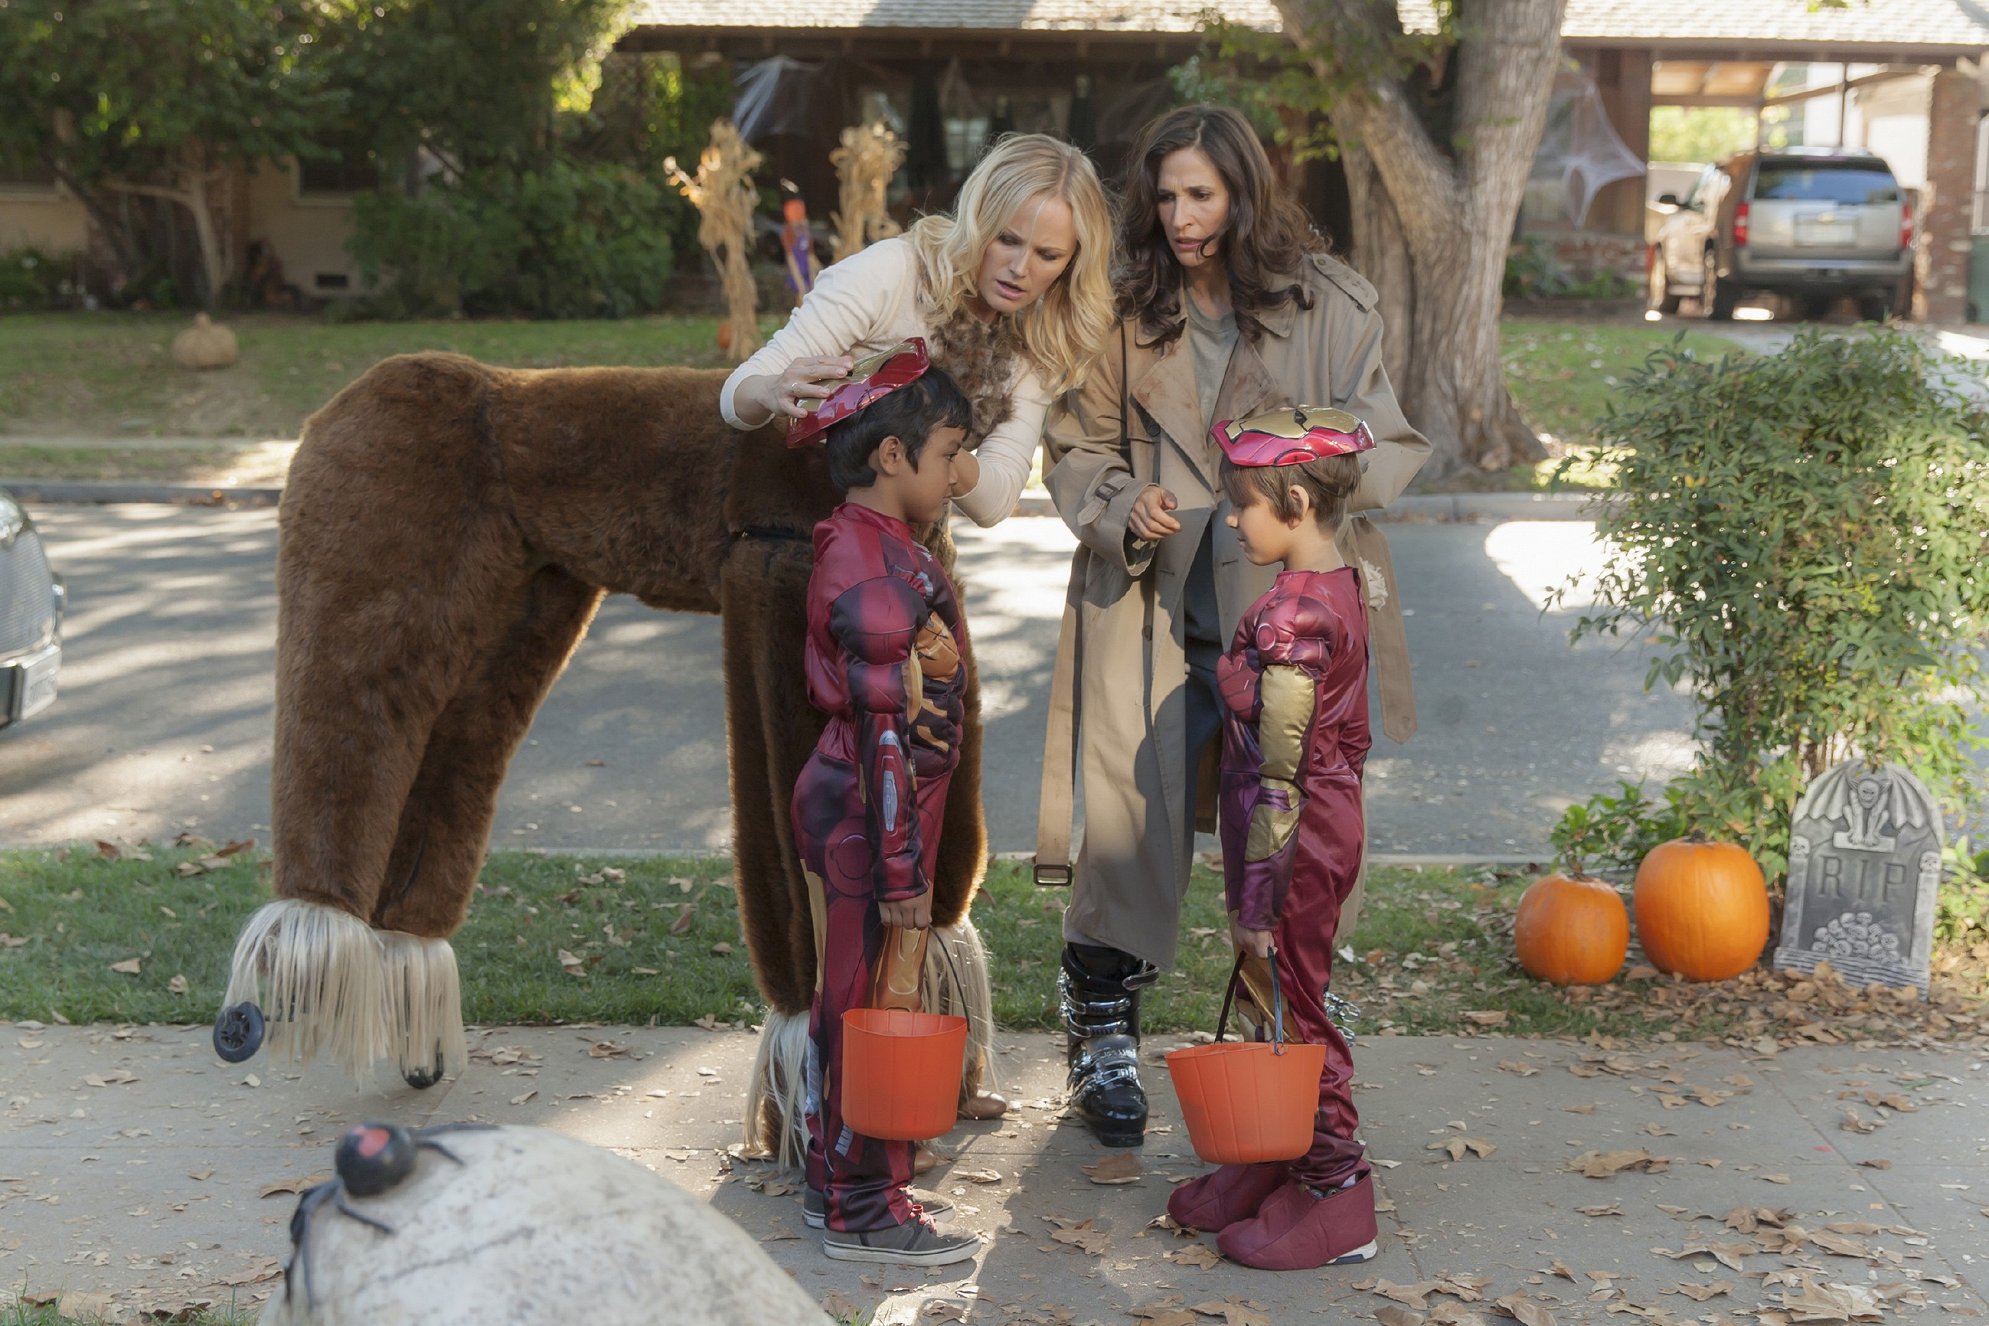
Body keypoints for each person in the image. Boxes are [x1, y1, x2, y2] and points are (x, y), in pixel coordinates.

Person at [1038, 104, 1429, 1148]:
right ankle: (1102, 1027)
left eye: (1201, 195)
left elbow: (1388, 441)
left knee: (1292, 832)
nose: (1180, 217)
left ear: (1244, 195)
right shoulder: (1120, 309)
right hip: (1153, 610)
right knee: (1126, 830)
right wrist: (1122, 502)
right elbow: (1074, 446)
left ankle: (1287, 1029)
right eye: (1165, 196)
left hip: (1291, 621)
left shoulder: (1330, 306)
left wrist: (1310, 474)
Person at [1166, 405, 1380, 1270]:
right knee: (1273, 992)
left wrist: (1256, 901)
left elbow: (1281, 778)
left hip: (1289, 841)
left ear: (1294, 503)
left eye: (1241, 505)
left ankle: (1335, 1187)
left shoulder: (1294, 619)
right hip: (1298, 831)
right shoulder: (1330, 586)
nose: (1229, 521)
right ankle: (1271, 1154)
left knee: (1296, 1007)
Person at [788, 340, 982, 1267]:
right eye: (950, 453)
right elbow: (882, 735)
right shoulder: (869, 572)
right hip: (869, 821)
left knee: (857, 995)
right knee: (866, 1004)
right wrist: (902, 870)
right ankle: (862, 1206)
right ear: (893, 456)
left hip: (877, 817)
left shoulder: (881, 545)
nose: (961, 474)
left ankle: (845, 1176)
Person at [724, 132, 1116, 528]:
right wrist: (770, 389)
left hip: (906, 542)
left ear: (1072, 262)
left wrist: (929, 439)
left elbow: (995, 502)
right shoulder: (893, 272)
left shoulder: (1037, 342)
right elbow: (735, 397)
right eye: (1006, 239)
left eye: (1047, 255)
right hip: (793, 516)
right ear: (978, 220)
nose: (1019, 268)